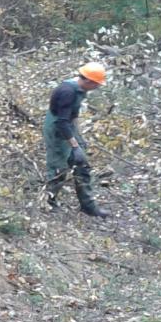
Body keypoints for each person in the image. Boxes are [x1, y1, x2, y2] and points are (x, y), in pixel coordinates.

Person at [43, 62, 110, 218]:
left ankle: (88, 206)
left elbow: (73, 116)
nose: (97, 87)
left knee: (82, 165)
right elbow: (61, 122)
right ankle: (48, 202)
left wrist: (78, 138)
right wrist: (74, 146)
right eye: (97, 84)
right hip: (57, 129)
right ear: (88, 80)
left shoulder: (80, 89)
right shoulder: (67, 91)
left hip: (67, 126)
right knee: (59, 168)